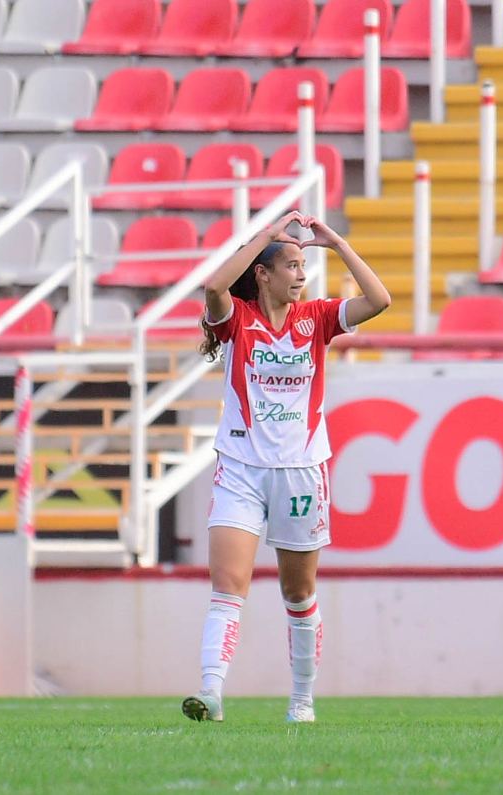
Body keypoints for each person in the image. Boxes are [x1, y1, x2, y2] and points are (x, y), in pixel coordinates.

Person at [183, 211, 391, 724]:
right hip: (240, 467)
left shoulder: (317, 318)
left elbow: (380, 300)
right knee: (228, 584)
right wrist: (265, 236)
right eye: (292, 265)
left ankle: (302, 700)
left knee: (298, 592)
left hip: (301, 470)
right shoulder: (237, 320)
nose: (302, 275)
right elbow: (212, 285)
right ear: (263, 274)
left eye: (304, 266)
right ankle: (211, 693)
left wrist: (337, 243)